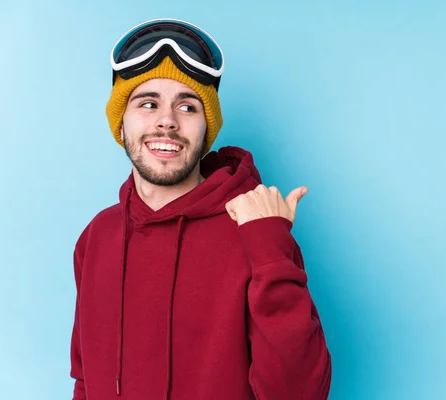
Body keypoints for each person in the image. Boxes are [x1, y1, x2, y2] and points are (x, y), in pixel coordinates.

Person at [69, 18, 332, 400]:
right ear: (121, 124)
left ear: (206, 130)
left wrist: (271, 249)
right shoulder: (97, 237)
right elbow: (85, 379)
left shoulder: (256, 232)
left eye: (187, 107)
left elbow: (301, 393)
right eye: (148, 103)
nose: (167, 121)